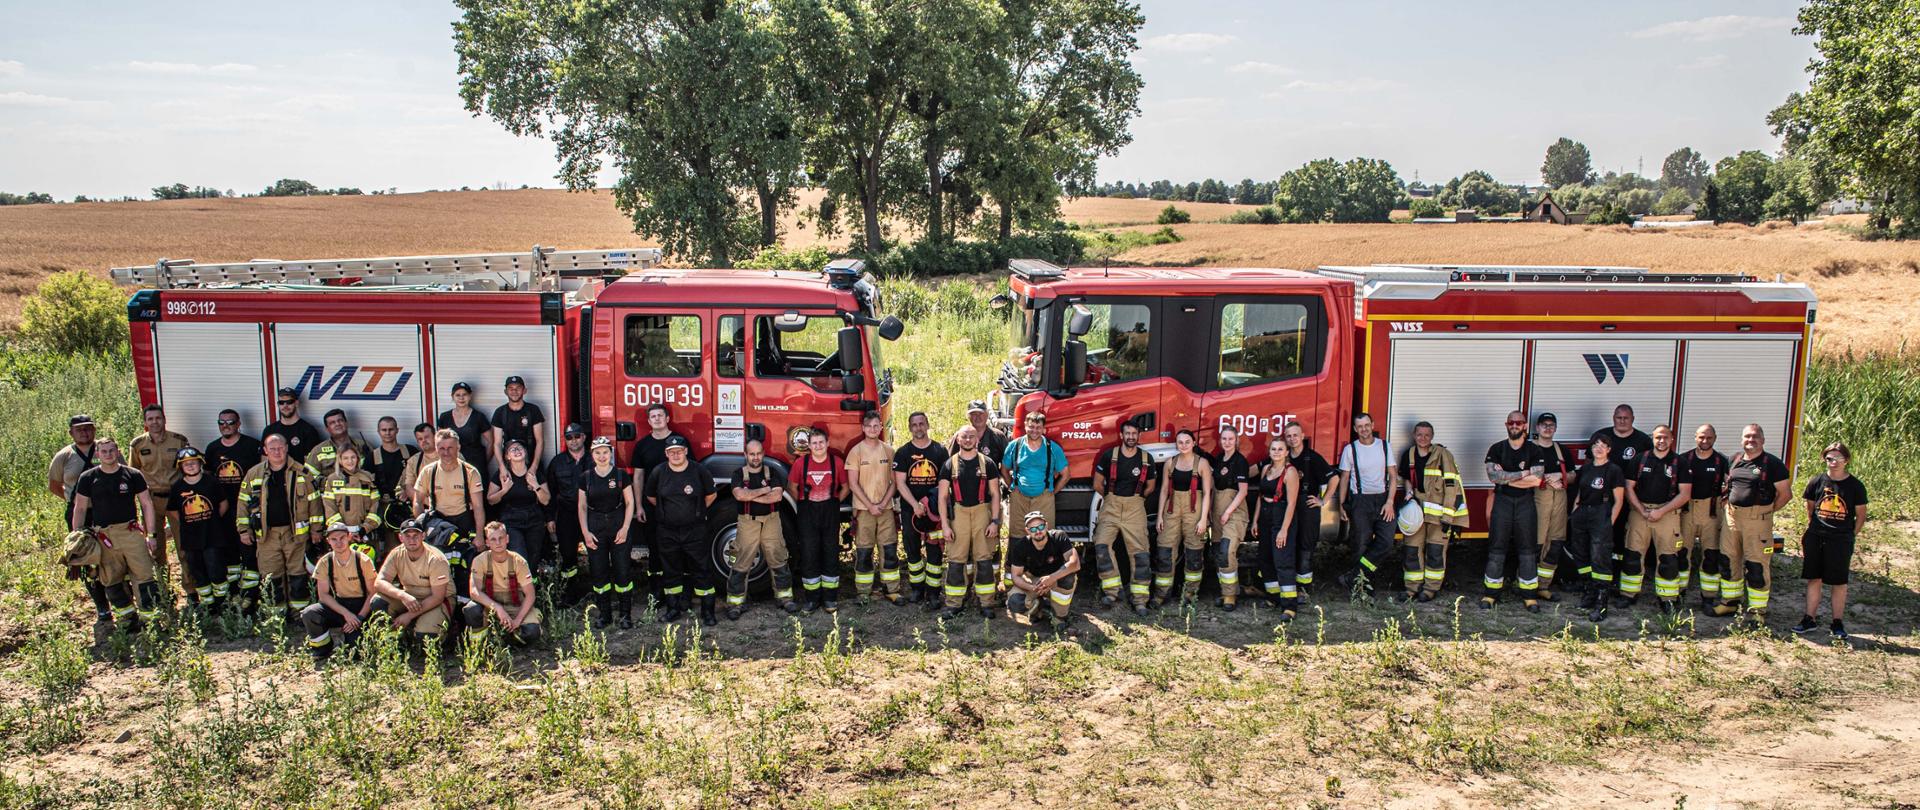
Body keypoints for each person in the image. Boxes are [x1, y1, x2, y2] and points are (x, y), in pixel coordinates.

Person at [70, 437, 162, 629]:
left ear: (117, 451)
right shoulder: (88, 478)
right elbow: (79, 509)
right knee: (110, 579)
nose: (109, 454)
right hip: (104, 536)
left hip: (130, 532)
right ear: (97, 454)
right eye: (104, 451)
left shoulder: (132, 474)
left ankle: (151, 621)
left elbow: (146, 504)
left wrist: (151, 535)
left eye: (112, 450)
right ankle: (127, 620)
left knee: (144, 575)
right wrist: (76, 539)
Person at [237, 434, 323, 618]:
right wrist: (244, 530)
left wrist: (316, 530)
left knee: (298, 573)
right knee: (270, 574)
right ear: (266, 451)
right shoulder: (254, 474)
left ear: (287, 448)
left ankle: (299, 612)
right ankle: (276, 615)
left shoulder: (302, 472)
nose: (277, 452)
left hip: (296, 535)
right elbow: (243, 503)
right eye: (273, 449)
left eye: (281, 448)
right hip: (267, 535)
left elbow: (314, 503)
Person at [1715, 424, 1792, 625]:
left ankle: (1757, 610)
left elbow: (1785, 494)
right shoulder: (1734, 460)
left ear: (1763, 440)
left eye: (1755, 437)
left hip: (1757, 521)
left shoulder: (1773, 464)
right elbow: (1727, 484)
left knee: (1756, 565)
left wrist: (1766, 511)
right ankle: (1730, 601)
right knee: (1728, 559)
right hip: (1732, 518)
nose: (1751, 440)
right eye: (1747, 437)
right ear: (1742, 439)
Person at [1796, 442, 1867, 641]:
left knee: (1839, 582)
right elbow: (1810, 508)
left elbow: (1861, 515)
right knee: (1814, 578)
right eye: (1829, 458)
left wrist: (1850, 534)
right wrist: (1814, 530)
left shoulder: (1855, 486)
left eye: (1837, 458)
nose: (1833, 462)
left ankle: (1837, 622)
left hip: (1841, 540)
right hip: (1816, 537)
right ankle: (1809, 619)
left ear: (1846, 460)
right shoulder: (1817, 481)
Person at [48, 413, 114, 622]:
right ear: (71, 432)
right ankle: (101, 605)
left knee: (113, 552)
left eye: (88, 428)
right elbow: (54, 485)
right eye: (80, 429)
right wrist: (76, 503)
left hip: (108, 511)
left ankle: (121, 597)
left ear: (94, 429)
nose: (85, 432)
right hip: (81, 513)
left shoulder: (107, 449)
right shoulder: (64, 456)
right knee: (85, 556)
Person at [647, 435, 717, 625]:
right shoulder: (659, 472)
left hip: (695, 530)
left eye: (679, 451)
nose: (675, 454)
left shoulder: (699, 471)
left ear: (686, 451)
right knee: (671, 571)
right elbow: (651, 497)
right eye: (671, 452)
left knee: (702, 570)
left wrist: (694, 512)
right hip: (667, 531)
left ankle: (708, 612)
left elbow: (711, 495)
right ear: (666, 454)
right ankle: (673, 609)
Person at [412, 428, 487, 600]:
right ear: (436, 449)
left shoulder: (470, 472)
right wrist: (419, 528)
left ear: (458, 447)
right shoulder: (428, 472)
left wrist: (480, 535)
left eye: (450, 448)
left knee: (464, 570)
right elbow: (417, 501)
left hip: (462, 524)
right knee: (438, 571)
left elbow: (478, 506)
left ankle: (463, 611)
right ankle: (441, 606)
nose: (446, 453)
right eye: (442, 448)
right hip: (438, 527)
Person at [1623, 425, 1689, 614]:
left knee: (1668, 558)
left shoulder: (1680, 462)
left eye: (1665, 437)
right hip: (1640, 512)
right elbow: (1629, 488)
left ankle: (1667, 598)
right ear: (1652, 438)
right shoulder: (1640, 459)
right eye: (1658, 437)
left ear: (1672, 439)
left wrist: (1662, 511)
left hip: (1667, 515)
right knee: (1632, 556)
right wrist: (1641, 510)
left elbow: (1685, 494)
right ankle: (1629, 594)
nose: (1661, 441)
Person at [938, 425, 1002, 619]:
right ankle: (954, 604)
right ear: (958, 440)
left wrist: (994, 521)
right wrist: (945, 525)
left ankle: (986, 603)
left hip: (983, 513)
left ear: (977, 440)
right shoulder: (949, 464)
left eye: (971, 437)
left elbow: (995, 494)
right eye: (964, 437)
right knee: (956, 560)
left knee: (984, 559)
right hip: (959, 514)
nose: (967, 440)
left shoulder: (988, 463)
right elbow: (942, 497)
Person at [729, 438, 797, 618]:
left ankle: (785, 598)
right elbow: (739, 495)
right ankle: (735, 603)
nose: (756, 457)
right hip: (747, 522)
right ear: (745, 455)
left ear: (763, 453)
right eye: (752, 454)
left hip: (771, 521)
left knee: (778, 557)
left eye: (759, 453)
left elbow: (776, 497)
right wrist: (763, 491)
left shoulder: (772, 472)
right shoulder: (737, 474)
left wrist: (750, 495)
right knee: (741, 560)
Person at [1090, 422, 1154, 614]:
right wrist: (1110, 498)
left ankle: (1140, 599)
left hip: (1135, 508)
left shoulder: (1146, 458)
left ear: (1138, 436)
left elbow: (1150, 486)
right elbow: (1097, 483)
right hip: (1111, 506)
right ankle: (1113, 592)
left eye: (1134, 433)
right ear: (1122, 435)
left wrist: (1138, 500)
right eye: (1128, 433)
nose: (1131, 437)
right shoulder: (1110, 455)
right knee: (1101, 545)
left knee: (1140, 553)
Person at [1399, 421, 1467, 603]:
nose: (1423, 438)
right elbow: (1406, 478)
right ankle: (1411, 589)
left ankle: (1430, 589)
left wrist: (1448, 515)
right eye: (1419, 434)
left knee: (1436, 552)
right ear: (1414, 435)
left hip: (1438, 515)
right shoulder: (1409, 454)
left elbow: (1452, 486)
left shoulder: (1443, 455)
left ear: (1432, 437)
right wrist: (1409, 492)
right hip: (1417, 513)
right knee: (1411, 550)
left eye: (1427, 435)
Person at [1483, 411, 1544, 611]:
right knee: (1496, 547)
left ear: (1525, 425)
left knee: (1527, 549)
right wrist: (1522, 474)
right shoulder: (1497, 448)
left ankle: (1529, 595)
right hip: (1502, 501)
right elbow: (1493, 477)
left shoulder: (1534, 450)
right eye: (1511, 422)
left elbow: (1536, 480)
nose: (1515, 425)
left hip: (1526, 503)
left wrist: (1507, 476)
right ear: (1506, 424)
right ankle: (1491, 594)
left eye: (1519, 422)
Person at [130, 404, 192, 599]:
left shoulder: (179, 441)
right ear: (145, 423)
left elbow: (188, 468)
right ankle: (163, 591)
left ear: (164, 419)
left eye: (158, 418)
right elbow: (135, 473)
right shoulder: (138, 445)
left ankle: (191, 591)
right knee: (155, 548)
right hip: (151, 501)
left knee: (184, 548)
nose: (155, 422)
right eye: (150, 419)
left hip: (176, 500)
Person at [1332, 413, 1399, 593]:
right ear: (1355, 429)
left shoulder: (1384, 446)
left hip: (1383, 500)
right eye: (1360, 426)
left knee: (1386, 543)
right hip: (1360, 501)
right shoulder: (1350, 449)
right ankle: (1361, 587)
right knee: (1360, 545)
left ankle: (1353, 576)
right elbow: (1344, 478)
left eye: (1367, 425)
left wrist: (1390, 502)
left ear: (1372, 425)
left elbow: (1393, 476)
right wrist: (1341, 504)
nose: (1364, 429)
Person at [1590, 404, 1653, 591]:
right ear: (1613, 418)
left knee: (1625, 538)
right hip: (1603, 498)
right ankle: (1601, 576)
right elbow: (1589, 465)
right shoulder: (1602, 436)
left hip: (1631, 499)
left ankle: (1620, 574)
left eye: (1626, 418)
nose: (1622, 421)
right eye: (1619, 417)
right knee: (1603, 537)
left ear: (1633, 418)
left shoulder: (1642, 441)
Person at [204, 409, 263, 607]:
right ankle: (234, 594)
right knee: (229, 554)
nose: (226, 426)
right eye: (222, 422)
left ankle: (251, 595)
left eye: (230, 422)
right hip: (223, 510)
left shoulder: (252, 446)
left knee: (248, 550)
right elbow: (207, 481)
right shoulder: (212, 449)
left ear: (239, 424)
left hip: (247, 507)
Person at [578, 436, 637, 627]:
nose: (602, 456)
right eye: (597, 452)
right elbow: (582, 507)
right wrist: (586, 533)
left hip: (618, 526)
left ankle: (625, 615)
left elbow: (630, 502)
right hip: (595, 528)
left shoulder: (621, 475)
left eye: (605, 452)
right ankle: (605, 615)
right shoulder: (585, 478)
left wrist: (626, 528)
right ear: (592, 454)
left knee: (622, 572)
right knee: (599, 573)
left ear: (611, 453)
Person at [628, 404, 684, 608]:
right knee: (654, 547)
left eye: (661, 415)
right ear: (649, 422)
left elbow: (691, 472)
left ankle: (677, 593)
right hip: (651, 505)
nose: (657, 418)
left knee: (676, 548)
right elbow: (638, 476)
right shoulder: (643, 445)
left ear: (667, 418)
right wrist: (638, 506)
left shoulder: (678, 442)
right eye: (653, 416)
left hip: (677, 506)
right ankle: (656, 592)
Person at [300, 523, 377, 666]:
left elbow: (373, 593)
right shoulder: (325, 562)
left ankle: (358, 638)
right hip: (340, 606)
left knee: (356, 653)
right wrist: (346, 614)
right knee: (310, 613)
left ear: (349, 537)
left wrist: (359, 617)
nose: (339, 542)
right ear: (328, 541)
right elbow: (323, 595)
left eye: (342, 538)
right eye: (334, 539)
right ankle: (322, 648)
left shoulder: (362, 560)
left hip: (362, 608)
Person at [892, 412, 949, 604]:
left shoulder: (940, 451)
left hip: (934, 513)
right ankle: (917, 589)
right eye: (914, 424)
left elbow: (944, 482)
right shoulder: (903, 453)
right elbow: (900, 483)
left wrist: (934, 506)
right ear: (910, 428)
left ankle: (933, 592)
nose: (918, 427)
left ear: (927, 425)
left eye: (921, 423)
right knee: (912, 549)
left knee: (935, 552)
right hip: (911, 511)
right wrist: (915, 505)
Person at [1569, 436, 1627, 623]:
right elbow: (1579, 492)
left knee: (1600, 557)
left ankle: (1601, 603)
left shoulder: (1614, 470)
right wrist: (1574, 512)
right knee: (1581, 554)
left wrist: (1609, 522)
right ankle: (1589, 592)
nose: (1599, 448)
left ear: (1609, 449)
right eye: (1596, 445)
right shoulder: (1586, 468)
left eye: (1603, 446)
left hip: (1601, 513)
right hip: (1583, 512)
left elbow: (1619, 500)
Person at [847, 410, 901, 603]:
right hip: (864, 510)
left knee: (889, 550)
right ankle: (863, 592)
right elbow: (853, 484)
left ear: (880, 427)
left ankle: (892, 590)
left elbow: (895, 482)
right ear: (863, 428)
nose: (872, 429)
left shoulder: (889, 451)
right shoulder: (856, 452)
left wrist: (883, 503)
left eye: (876, 426)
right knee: (864, 551)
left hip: (886, 509)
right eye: (868, 426)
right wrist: (870, 506)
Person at [790, 429, 847, 613]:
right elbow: (792, 487)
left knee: (830, 552)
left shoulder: (836, 462)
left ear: (828, 443)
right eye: (814, 443)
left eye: (821, 442)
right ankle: (812, 599)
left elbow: (845, 487)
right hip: (808, 513)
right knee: (809, 553)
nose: (818, 446)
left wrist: (836, 500)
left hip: (830, 511)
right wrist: (803, 502)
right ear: (809, 445)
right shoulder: (801, 464)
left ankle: (830, 599)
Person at [370, 518, 452, 644]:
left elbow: (438, 597)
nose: (411, 540)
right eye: (407, 536)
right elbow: (379, 582)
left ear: (423, 536)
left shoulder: (436, 559)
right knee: (378, 601)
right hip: (410, 597)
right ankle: (393, 642)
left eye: (416, 535)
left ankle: (445, 636)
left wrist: (409, 616)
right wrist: (401, 595)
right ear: (400, 537)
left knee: (425, 639)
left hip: (436, 601)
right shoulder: (396, 553)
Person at [1155, 430, 1212, 607]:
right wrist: (1159, 517)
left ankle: (1190, 595)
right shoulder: (1169, 463)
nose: (1184, 445)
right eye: (1180, 442)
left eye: (1187, 442)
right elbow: (1164, 490)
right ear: (1176, 444)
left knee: (1194, 554)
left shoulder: (1202, 463)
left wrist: (1204, 520)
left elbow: (1208, 493)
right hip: (1171, 511)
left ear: (1194, 443)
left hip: (1194, 512)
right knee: (1164, 552)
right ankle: (1161, 595)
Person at [463, 521, 543, 645]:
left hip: (515, 606)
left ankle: (508, 637)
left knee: (531, 632)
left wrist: (518, 620)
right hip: (491, 606)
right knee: (472, 610)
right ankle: (481, 645)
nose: (498, 542)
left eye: (501, 538)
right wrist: (498, 609)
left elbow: (530, 594)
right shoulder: (479, 560)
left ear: (507, 539)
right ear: (487, 542)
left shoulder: (518, 561)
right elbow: (474, 592)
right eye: (493, 539)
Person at [166, 448, 227, 610]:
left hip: (212, 535)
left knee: (216, 568)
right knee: (197, 570)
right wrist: (189, 521)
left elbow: (223, 504)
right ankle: (208, 604)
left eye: (193, 463)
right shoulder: (177, 487)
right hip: (191, 537)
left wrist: (211, 520)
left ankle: (222, 602)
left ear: (200, 463)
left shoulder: (211, 482)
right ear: (180, 467)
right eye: (186, 464)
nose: (190, 466)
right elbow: (172, 510)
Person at [1678, 425, 1729, 608]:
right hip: (1687, 511)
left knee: (1711, 555)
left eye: (1709, 438)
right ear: (1695, 437)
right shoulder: (1684, 459)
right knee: (1682, 554)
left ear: (1715, 438)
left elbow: (1732, 484)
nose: (1705, 441)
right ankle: (1679, 593)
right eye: (1701, 437)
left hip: (1711, 512)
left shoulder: (1722, 461)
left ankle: (1708, 597)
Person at [1251, 437, 1301, 619]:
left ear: (1287, 452)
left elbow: (1292, 503)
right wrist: (1255, 520)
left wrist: (1284, 530)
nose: (1277, 452)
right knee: (1265, 559)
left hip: (1281, 517)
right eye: (1273, 449)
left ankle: (1289, 606)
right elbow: (1260, 497)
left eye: (1280, 449)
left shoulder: (1290, 472)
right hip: (1265, 516)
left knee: (1283, 561)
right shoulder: (1266, 469)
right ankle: (1273, 597)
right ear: (1269, 452)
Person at [1283, 421, 1335, 595]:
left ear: (1302, 436)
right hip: (1289, 506)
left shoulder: (1312, 457)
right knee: (1290, 546)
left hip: (1307, 507)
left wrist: (1323, 500)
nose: (1292, 439)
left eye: (1295, 435)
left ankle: (1304, 589)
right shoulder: (1283, 457)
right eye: (1289, 436)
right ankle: (1290, 586)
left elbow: (1334, 479)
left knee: (1306, 548)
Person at [1005, 511, 1080, 628]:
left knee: (1069, 577)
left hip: (1057, 578)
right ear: (1027, 531)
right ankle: (1038, 608)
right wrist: (1033, 588)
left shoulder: (1059, 537)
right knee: (1014, 602)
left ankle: (1059, 617)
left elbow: (1075, 564)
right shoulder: (1021, 546)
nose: (1038, 531)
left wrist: (1052, 578)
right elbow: (1016, 576)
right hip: (1035, 582)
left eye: (1040, 526)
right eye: (1033, 529)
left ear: (1046, 525)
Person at [545, 424, 592, 601]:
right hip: (567, 514)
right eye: (569, 437)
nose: (573, 440)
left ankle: (598, 592)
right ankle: (569, 594)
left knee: (595, 553)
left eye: (577, 436)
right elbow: (550, 491)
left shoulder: (594, 459)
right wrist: (550, 517)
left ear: (584, 437)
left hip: (591, 514)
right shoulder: (557, 463)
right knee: (568, 555)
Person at [1208, 425, 1252, 610]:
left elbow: (1243, 491)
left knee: (1226, 551)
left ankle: (1230, 596)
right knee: (1219, 553)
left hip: (1233, 513)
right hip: (1218, 513)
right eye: (1224, 439)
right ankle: (1228, 590)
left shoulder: (1240, 461)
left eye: (1230, 439)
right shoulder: (1219, 459)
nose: (1227, 442)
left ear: (1236, 441)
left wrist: (1227, 512)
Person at [1531, 414, 1573, 601]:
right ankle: (1527, 585)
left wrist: (1561, 478)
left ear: (1555, 428)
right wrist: (1547, 478)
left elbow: (1572, 474)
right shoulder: (1530, 449)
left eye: (1551, 425)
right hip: (1537, 501)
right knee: (1535, 544)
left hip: (1560, 500)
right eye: (1544, 425)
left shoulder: (1561, 450)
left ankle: (1544, 586)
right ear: (1537, 428)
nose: (1548, 428)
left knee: (1555, 543)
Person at [487, 440, 550, 567]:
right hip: (511, 520)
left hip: (534, 519)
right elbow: (490, 500)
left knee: (534, 556)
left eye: (520, 448)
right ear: (507, 456)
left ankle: (533, 584)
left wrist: (535, 485)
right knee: (519, 554)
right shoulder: (501, 475)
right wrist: (504, 490)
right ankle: (521, 584)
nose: (517, 451)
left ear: (525, 453)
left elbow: (546, 500)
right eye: (512, 449)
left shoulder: (535, 474)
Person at [366, 416, 419, 556]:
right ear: (378, 432)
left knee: (412, 541)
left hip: (408, 506)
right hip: (385, 507)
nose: (387, 433)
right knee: (392, 547)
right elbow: (366, 483)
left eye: (391, 429)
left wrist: (409, 492)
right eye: (384, 430)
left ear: (397, 430)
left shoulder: (410, 452)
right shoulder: (372, 457)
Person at [320, 444, 382, 553]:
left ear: (358, 459)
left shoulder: (367, 478)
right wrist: (343, 533)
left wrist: (364, 529)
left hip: (364, 535)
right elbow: (330, 508)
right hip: (341, 537)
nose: (350, 461)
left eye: (353, 457)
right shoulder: (332, 480)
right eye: (345, 458)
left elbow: (375, 507)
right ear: (339, 460)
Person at [437, 382, 493, 479]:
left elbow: (491, 441)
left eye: (464, 395)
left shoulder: (479, 417)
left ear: (470, 396)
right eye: (457, 395)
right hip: (452, 464)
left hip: (475, 465)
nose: (461, 398)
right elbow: (439, 442)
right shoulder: (445, 417)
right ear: (452, 397)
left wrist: (483, 461)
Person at [490, 375, 545, 469]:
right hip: (509, 463)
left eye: (518, 388)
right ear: (505, 392)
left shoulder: (533, 410)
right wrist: (502, 467)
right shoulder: (500, 412)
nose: (514, 391)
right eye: (510, 388)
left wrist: (534, 467)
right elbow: (497, 443)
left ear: (524, 390)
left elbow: (540, 441)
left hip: (531, 461)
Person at [262, 387, 324, 464]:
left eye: (289, 402)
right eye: (281, 402)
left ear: (296, 403)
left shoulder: (308, 430)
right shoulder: (269, 430)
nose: (285, 405)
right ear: (278, 405)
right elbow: (264, 460)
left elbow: (311, 463)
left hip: (298, 474)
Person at [308, 408, 371, 481]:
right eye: (332, 423)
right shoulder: (318, 451)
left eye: (340, 420)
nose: (337, 424)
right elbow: (308, 475)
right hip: (330, 491)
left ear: (346, 423)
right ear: (327, 429)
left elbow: (374, 471)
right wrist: (328, 483)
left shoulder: (363, 445)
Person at [949, 400, 1010, 466]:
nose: (978, 417)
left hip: (991, 475)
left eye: (981, 413)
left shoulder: (998, 436)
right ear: (969, 416)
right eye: (974, 414)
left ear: (987, 415)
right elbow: (950, 462)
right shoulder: (960, 436)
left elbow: (1007, 464)